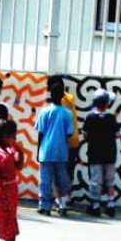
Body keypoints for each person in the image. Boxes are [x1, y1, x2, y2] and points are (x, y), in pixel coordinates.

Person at [34, 84, 74, 216]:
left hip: (46, 150)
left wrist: (38, 150)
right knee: (61, 179)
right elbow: (69, 134)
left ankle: (44, 206)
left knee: (45, 180)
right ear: (62, 96)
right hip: (61, 151)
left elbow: (40, 132)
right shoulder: (67, 113)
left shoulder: (44, 111)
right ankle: (62, 205)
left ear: (50, 95)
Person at [83, 88, 120, 217]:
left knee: (95, 180)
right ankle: (111, 204)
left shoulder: (90, 117)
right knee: (110, 180)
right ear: (106, 104)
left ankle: (95, 205)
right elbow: (117, 135)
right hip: (110, 154)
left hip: (95, 154)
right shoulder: (111, 118)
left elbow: (85, 135)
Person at [47, 75, 81, 203]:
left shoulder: (62, 100)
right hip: (74, 139)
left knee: (59, 169)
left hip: (62, 140)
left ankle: (60, 198)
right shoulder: (71, 98)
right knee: (69, 169)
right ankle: (68, 196)